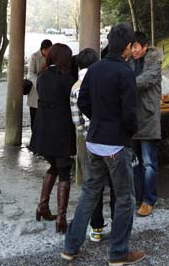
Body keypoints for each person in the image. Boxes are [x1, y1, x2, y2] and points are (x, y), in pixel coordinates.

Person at [61, 23, 146, 265]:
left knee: (89, 194)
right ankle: (119, 252)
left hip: (94, 141)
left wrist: (97, 119)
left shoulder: (95, 69)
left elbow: (83, 102)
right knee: (124, 199)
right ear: (128, 47)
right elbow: (130, 113)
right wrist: (127, 131)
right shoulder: (125, 73)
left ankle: (70, 246)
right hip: (116, 144)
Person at [28, 42, 76, 232]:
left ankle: (42, 206)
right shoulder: (67, 78)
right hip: (61, 131)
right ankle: (61, 218)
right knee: (64, 170)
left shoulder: (43, 76)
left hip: (43, 130)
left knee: (53, 166)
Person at [71, 48, 116, 244]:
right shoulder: (105, 81)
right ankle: (118, 225)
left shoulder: (75, 87)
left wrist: (87, 135)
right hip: (112, 140)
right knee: (117, 185)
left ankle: (96, 228)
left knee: (94, 185)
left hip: (92, 141)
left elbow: (77, 120)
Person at [130, 30, 163, 217]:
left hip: (148, 117)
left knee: (149, 162)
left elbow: (146, 80)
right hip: (132, 118)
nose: (133, 50)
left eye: (136, 47)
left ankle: (149, 199)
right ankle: (138, 197)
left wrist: (123, 81)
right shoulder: (127, 62)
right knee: (135, 162)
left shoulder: (154, 63)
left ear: (144, 47)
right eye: (131, 47)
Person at [27, 39, 53, 134]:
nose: (50, 52)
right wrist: (40, 83)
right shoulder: (34, 56)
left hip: (47, 90)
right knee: (34, 115)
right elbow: (30, 74)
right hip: (35, 90)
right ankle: (34, 137)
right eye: (48, 50)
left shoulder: (51, 57)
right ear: (43, 49)